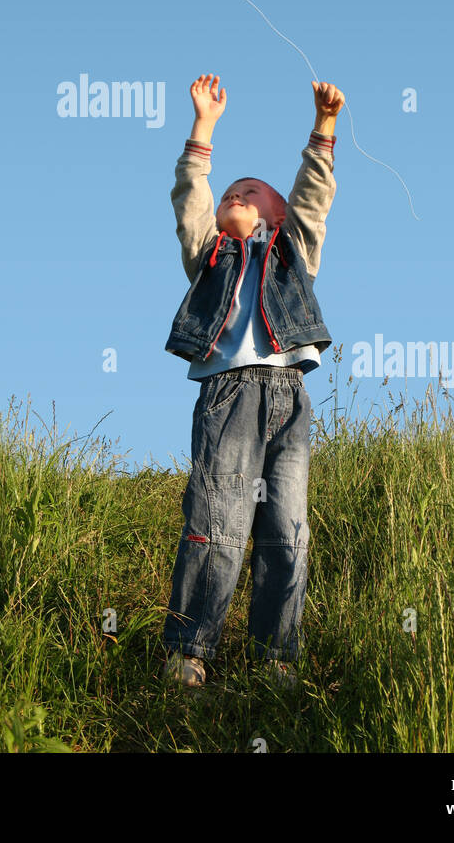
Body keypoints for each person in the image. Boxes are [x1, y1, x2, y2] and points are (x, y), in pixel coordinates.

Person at [161, 73, 344, 689]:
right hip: (230, 393)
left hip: (289, 398)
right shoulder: (209, 252)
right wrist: (203, 128)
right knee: (219, 519)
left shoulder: (293, 250)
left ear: (275, 214)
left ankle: (275, 661)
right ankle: (189, 650)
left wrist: (324, 128)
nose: (231, 196)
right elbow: (190, 196)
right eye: (228, 192)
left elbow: (313, 197)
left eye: (248, 192)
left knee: (287, 529)